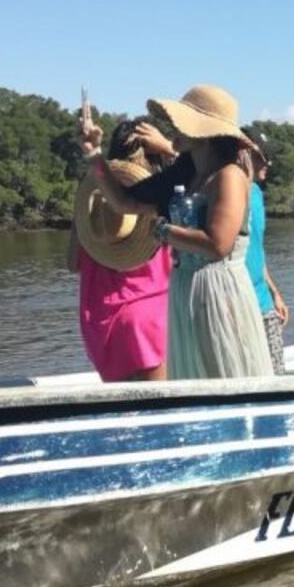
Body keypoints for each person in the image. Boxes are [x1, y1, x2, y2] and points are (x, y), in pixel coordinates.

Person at [86, 85, 271, 380]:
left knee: (225, 376)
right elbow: (123, 202)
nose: (172, 128)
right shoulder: (184, 173)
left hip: (219, 289)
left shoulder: (230, 175)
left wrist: (162, 230)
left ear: (205, 134)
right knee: (192, 375)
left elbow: (217, 244)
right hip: (186, 286)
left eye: (181, 122)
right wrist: (94, 156)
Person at [68, 118, 172, 382]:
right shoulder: (157, 199)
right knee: (161, 410)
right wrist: (170, 148)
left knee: (124, 414)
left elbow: (71, 262)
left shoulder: (93, 203)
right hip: (149, 317)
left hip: (100, 322)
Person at [242, 124, 289, 373]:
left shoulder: (257, 194)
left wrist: (275, 292)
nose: (268, 163)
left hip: (263, 301)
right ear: (245, 153)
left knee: (276, 371)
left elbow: (256, 250)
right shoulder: (230, 193)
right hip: (240, 303)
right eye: (263, 156)